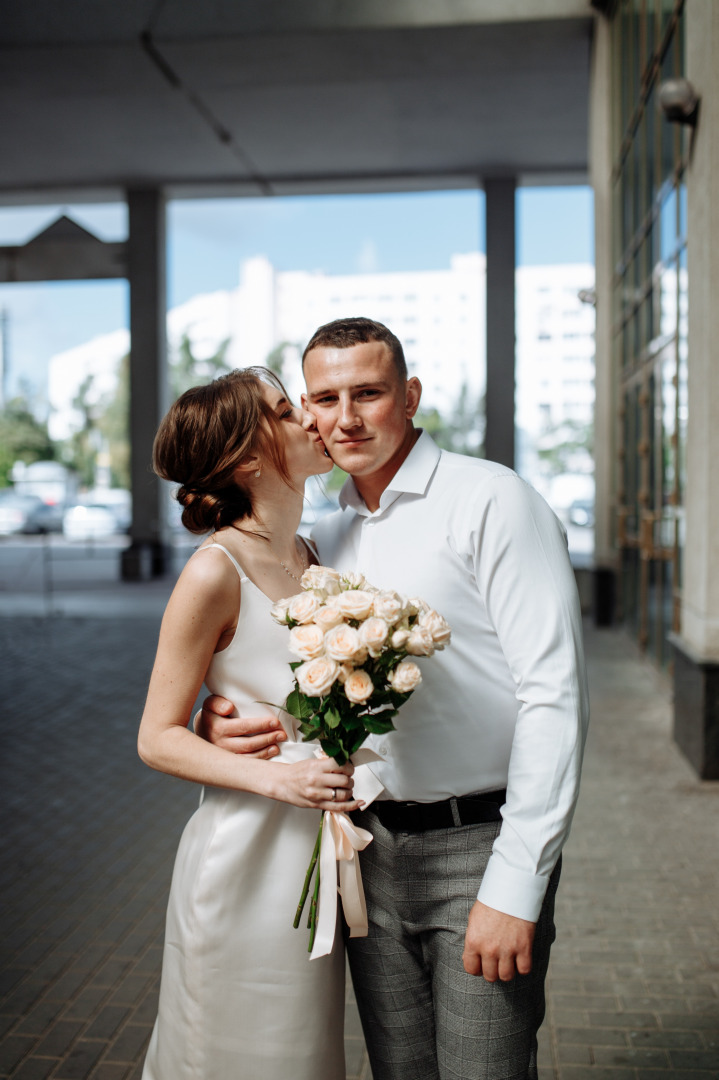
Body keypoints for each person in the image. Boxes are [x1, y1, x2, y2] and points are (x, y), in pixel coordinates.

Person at [201, 318, 590, 1080]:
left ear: (409, 396)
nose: (344, 418)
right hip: (364, 850)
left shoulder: (492, 501)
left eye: (368, 393)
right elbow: (305, 681)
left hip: (478, 847)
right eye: (323, 398)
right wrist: (228, 719)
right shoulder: (324, 534)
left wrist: (516, 884)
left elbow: (554, 697)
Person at [137, 367, 364, 1080]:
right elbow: (155, 737)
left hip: (311, 859)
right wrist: (281, 780)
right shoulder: (214, 571)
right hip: (241, 859)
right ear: (245, 459)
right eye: (283, 410)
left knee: (300, 1056)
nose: (308, 417)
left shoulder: (314, 557)